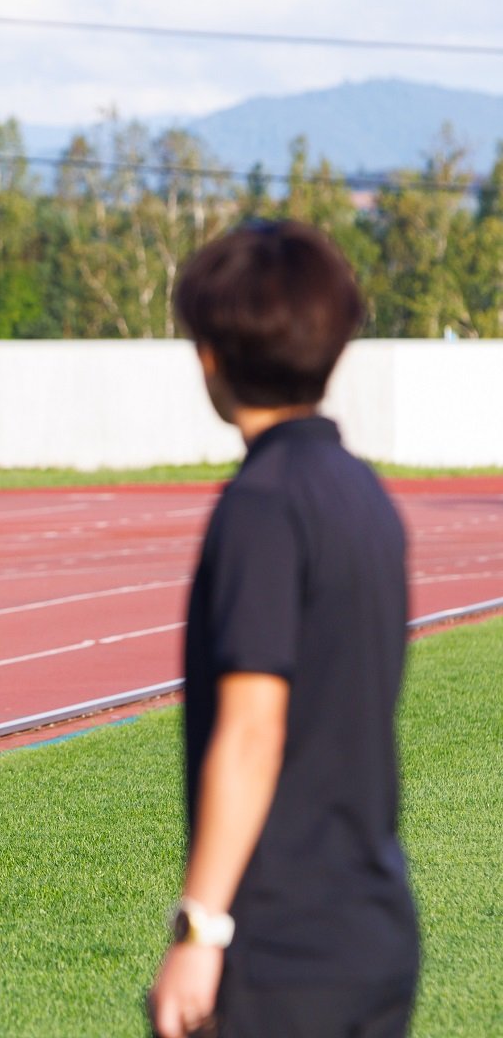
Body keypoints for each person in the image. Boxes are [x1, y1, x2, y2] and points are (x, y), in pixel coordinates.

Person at [148, 220, 419, 1038]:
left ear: (211, 357)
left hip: (282, 949)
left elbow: (255, 728)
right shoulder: (362, 493)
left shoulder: (261, 506)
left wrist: (201, 928)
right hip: (374, 931)